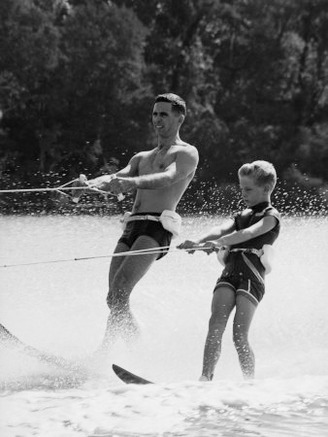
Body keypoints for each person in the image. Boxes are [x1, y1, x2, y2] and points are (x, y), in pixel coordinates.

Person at [85, 93, 199, 349]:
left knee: (122, 288)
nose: (158, 119)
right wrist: (88, 186)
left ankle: (110, 352)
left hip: (156, 226)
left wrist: (131, 183)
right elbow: (116, 177)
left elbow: (168, 178)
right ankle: (124, 348)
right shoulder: (141, 157)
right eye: (155, 114)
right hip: (133, 224)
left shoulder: (186, 153)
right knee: (114, 297)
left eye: (164, 114)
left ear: (179, 118)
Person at [178, 160, 280, 380]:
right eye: (241, 188)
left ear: (266, 188)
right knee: (215, 325)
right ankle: (205, 379)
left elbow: (249, 234)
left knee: (238, 334)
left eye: (248, 189)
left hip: (252, 278)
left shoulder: (271, 217)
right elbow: (220, 229)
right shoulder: (240, 215)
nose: (243, 193)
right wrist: (198, 241)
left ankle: (249, 383)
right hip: (230, 272)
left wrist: (221, 242)